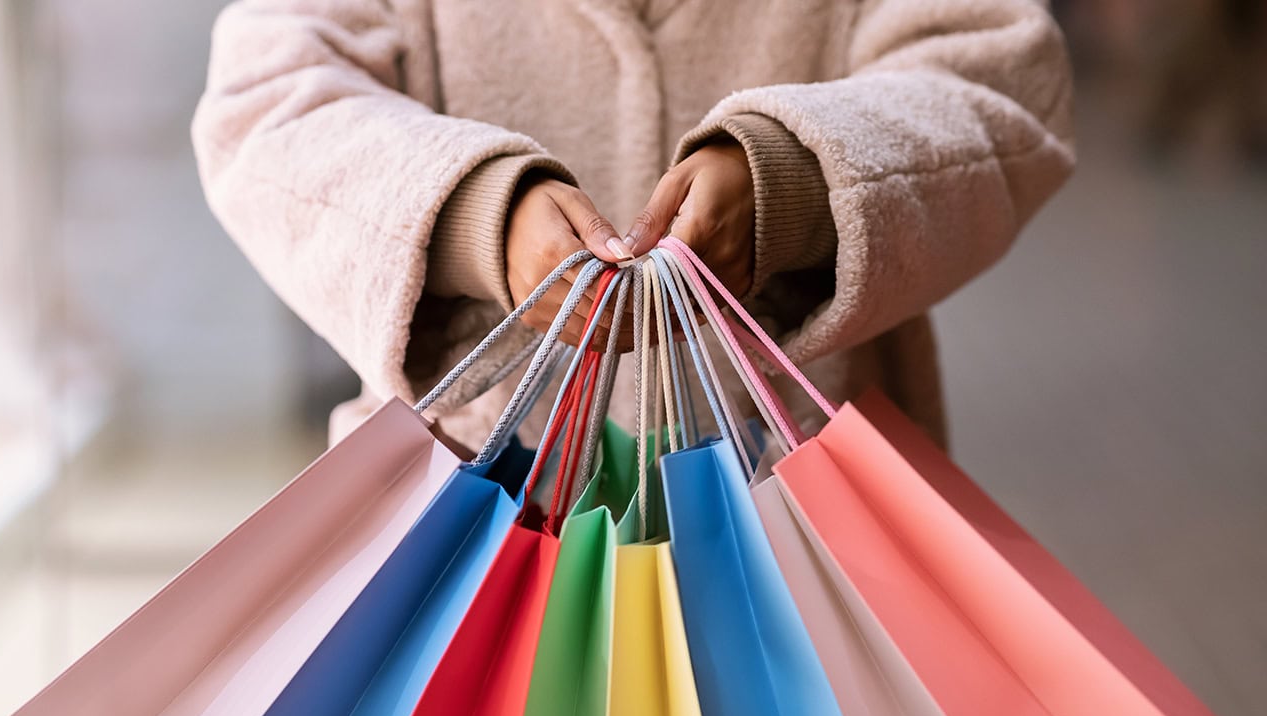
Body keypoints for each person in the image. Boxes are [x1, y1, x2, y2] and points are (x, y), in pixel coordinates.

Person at [193, 0, 1074, 450]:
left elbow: (997, 80)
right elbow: (269, 102)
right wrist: (474, 216)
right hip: (468, 503)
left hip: (809, 505)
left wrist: (796, 182)